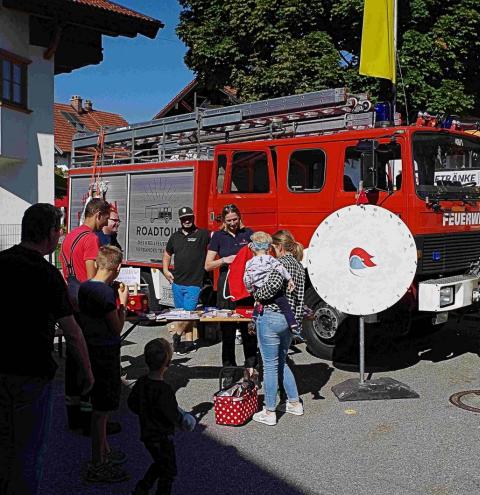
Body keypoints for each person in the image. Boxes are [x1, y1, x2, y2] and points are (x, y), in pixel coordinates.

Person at [0, 203, 94, 495]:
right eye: (59, 230)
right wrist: (88, 374)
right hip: (31, 372)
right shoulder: (47, 274)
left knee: (3, 447)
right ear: (51, 233)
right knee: (27, 452)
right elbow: (73, 332)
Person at [60, 198, 116, 433]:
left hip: (70, 301)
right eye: (106, 218)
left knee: (74, 362)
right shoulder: (91, 238)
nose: (106, 223)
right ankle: (90, 420)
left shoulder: (70, 236)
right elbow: (94, 275)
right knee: (90, 363)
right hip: (87, 307)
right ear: (99, 215)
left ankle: (73, 417)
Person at [78, 246, 130, 483]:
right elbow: (117, 327)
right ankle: (98, 463)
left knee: (99, 406)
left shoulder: (86, 287)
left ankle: (104, 451)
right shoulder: (107, 295)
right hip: (105, 352)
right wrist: (124, 303)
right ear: (117, 268)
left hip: (90, 348)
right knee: (103, 409)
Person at [251, 230, 305, 426]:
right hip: (288, 321)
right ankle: (294, 402)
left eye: (272, 248)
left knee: (270, 366)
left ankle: (269, 410)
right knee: (281, 362)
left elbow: (271, 287)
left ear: (279, 247)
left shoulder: (281, 264)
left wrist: (256, 292)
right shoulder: (299, 266)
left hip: (272, 317)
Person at [128, 338, 196, 495]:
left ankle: (142, 487)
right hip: (162, 436)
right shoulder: (164, 390)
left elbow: (132, 403)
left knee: (160, 463)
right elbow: (172, 414)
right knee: (169, 470)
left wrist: (144, 411)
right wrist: (184, 421)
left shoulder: (141, 382)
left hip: (147, 433)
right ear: (168, 364)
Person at [205, 204, 258, 388]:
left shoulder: (248, 233)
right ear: (223, 221)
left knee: (249, 331)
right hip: (226, 288)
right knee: (227, 332)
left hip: (245, 288)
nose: (233, 223)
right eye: (229, 221)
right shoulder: (218, 237)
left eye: (235, 220)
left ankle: (251, 369)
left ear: (239, 217)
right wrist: (224, 260)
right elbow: (208, 265)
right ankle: (229, 371)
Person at [162, 206, 210, 355]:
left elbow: (219, 237)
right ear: (180, 220)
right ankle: (186, 343)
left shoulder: (202, 234)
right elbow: (167, 253)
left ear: (193, 218)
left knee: (189, 314)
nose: (187, 220)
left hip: (194, 283)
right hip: (177, 283)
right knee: (180, 315)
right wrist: (165, 270)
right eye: (184, 218)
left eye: (189, 217)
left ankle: (176, 337)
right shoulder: (175, 237)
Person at [244, 231, 302, 340]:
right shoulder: (274, 260)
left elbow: (246, 278)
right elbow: (280, 269)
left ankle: (253, 319)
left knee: (258, 303)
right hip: (278, 300)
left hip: (259, 290)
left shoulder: (249, 262)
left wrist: (251, 291)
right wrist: (289, 279)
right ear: (268, 248)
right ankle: (293, 324)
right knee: (284, 305)